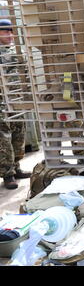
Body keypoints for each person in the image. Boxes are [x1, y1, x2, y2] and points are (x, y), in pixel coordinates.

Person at [0, 18, 31, 189]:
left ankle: (17, 167)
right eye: (5, 31)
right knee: (3, 140)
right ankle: (7, 174)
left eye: (11, 31)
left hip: (17, 100)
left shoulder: (17, 52)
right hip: (1, 103)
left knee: (19, 135)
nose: (10, 35)